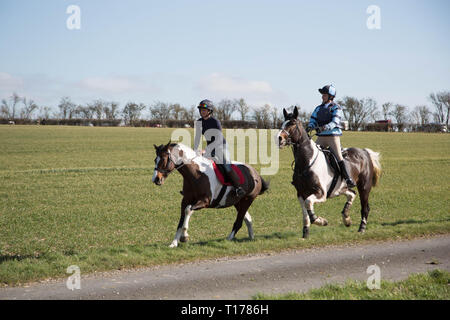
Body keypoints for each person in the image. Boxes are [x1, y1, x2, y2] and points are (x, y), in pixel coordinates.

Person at [306, 85, 356, 188]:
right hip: (321, 138)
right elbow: (313, 120)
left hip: (333, 137)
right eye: (322, 95)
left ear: (330, 97)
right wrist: (310, 127)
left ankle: (347, 179)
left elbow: (335, 122)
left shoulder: (336, 107)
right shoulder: (318, 108)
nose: (322, 97)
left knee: (338, 156)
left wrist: (324, 127)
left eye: (324, 95)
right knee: (312, 155)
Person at [193, 99, 245, 197]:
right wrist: (195, 150)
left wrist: (206, 150)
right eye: (201, 110)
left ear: (209, 111)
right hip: (209, 148)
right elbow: (197, 138)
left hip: (221, 146)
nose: (202, 112)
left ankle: (238, 188)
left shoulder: (215, 122)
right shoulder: (199, 122)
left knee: (225, 165)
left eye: (204, 110)